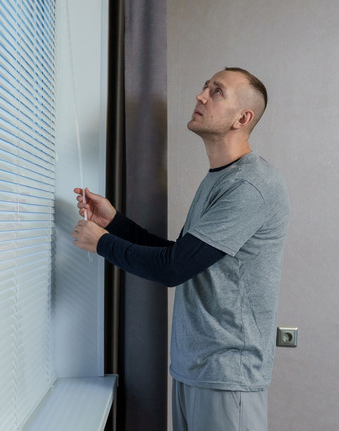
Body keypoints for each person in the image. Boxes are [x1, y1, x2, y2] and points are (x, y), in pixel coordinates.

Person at [72, 67, 289, 431]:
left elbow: (173, 268)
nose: (201, 96)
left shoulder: (251, 185)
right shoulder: (220, 178)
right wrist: (115, 223)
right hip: (195, 370)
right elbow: (185, 255)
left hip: (227, 376)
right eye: (204, 87)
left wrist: (103, 243)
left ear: (242, 118)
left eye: (216, 91)